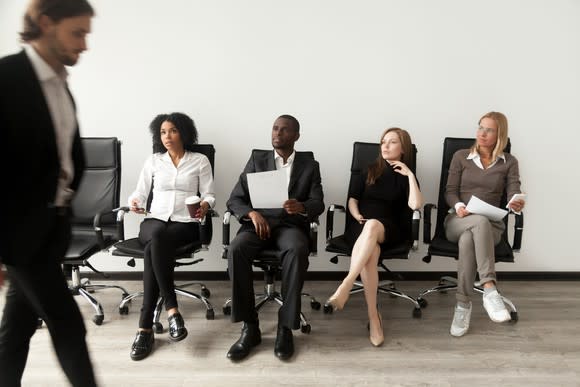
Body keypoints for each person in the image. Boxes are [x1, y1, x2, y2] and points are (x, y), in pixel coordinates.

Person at [0, 1, 97, 386]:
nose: (85, 44)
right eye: (77, 32)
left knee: (16, 328)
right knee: (67, 323)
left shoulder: (60, 87)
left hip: (50, 230)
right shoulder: (7, 79)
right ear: (45, 23)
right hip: (18, 233)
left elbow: (62, 158)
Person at [226, 114, 324, 361]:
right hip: (257, 225)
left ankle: (285, 328)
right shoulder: (257, 160)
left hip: (289, 226)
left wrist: (301, 207)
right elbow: (234, 199)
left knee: (297, 249)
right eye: (275, 128)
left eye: (284, 130)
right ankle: (250, 327)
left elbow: (318, 202)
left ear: (296, 136)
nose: (277, 134)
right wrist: (251, 213)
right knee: (236, 248)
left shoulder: (310, 166)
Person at [127, 112, 215, 360]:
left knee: (154, 246)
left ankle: (144, 329)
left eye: (173, 131)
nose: (167, 136)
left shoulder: (200, 161)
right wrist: (134, 202)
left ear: (184, 133)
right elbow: (140, 193)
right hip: (154, 221)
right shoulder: (154, 161)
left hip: (185, 224)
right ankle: (172, 310)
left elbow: (209, 194)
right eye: (163, 132)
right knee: (156, 235)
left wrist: (206, 205)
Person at [325, 128, 423, 347]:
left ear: (403, 148)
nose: (385, 146)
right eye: (383, 142)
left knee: (373, 226)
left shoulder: (408, 176)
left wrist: (409, 175)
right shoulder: (368, 169)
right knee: (371, 251)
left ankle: (346, 285)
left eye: (392, 142)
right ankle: (374, 318)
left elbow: (416, 205)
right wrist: (356, 214)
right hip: (360, 226)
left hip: (390, 229)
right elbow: (352, 199)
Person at [445, 111, 525, 337]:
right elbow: (450, 191)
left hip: (491, 226)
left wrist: (516, 202)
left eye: (489, 129)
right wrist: (460, 206)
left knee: (470, 237)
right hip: (458, 219)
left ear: (500, 134)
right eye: (480, 127)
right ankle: (489, 288)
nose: (482, 133)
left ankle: (462, 305)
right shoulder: (461, 156)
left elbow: (514, 190)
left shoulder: (509, 162)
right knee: (473, 224)